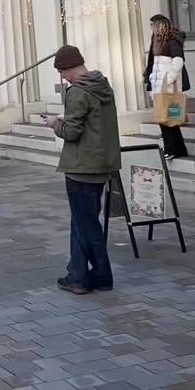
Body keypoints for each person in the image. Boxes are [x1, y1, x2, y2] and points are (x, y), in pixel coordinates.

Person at [48, 45, 119, 296]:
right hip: (101, 164)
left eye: (62, 71)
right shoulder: (102, 85)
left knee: (85, 225)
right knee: (84, 222)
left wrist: (56, 124)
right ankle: (78, 275)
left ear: (69, 67)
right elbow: (93, 125)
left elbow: (72, 132)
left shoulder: (77, 92)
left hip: (81, 166)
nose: (62, 77)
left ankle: (100, 274)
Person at [143, 14, 189, 160]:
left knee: (169, 119)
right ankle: (177, 149)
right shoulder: (155, 41)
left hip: (169, 88)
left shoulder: (171, 41)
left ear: (160, 25)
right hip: (159, 87)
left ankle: (173, 148)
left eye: (153, 25)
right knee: (166, 119)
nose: (151, 28)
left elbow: (178, 62)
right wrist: (152, 80)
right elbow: (153, 65)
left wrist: (166, 80)